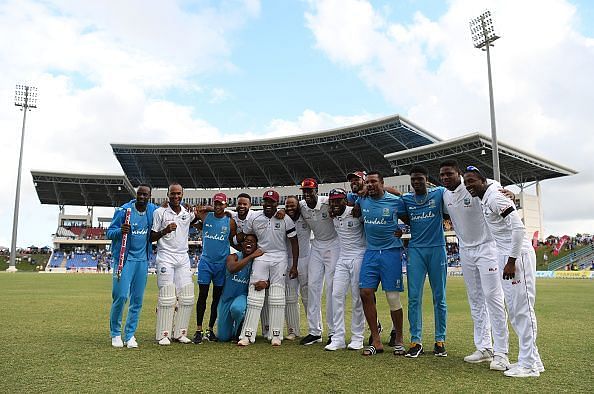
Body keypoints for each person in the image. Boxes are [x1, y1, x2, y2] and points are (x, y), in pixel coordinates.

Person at [464, 166, 544, 378]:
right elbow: (495, 185)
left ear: (482, 180)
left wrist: (511, 260)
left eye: (472, 181)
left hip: (517, 256)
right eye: (466, 182)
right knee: (517, 310)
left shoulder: (495, 198)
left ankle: (528, 365)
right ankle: (533, 359)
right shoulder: (489, 192)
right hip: (505, 254)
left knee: (522, 311)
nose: (468, 185)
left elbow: (518, 228)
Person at [439, 160, 510, 370]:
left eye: (449, 174)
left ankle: (501, 353)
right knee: (475, 300)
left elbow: (495, 187)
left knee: (493, 298)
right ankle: (484, 348)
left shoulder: (474, 186)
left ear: (459, 174)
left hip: (487, 248)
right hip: (465, 251)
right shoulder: (444, 194)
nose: (445, 178)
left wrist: (509, 194)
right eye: (442, 175)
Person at [237, 189, 299, 346]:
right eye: (266, 201)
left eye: (271, 202)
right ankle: (247, 334)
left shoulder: (285, 219)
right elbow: (245, 235)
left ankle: (276, 334)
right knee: (255, 292)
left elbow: (294, 242)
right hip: (261, 255)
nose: (268, 205)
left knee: (277, 294)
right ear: (263, 202)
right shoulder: (255, 217)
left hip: (280, 257)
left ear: (276, 203)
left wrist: (294, 266)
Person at [399, 166, 448, 358]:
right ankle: (415, 341)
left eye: (420, 179)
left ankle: (440, 340)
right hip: (416, 250)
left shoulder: (439, 193)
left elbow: (456, 190)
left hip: (437, 249)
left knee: (440, 297)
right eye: (413, 179)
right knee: (413, 298)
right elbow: (399, 209)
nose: (417, 182)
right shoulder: (406, 199)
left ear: (427, 180)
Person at [355, 171, 406, 356]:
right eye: (367, 182)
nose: (370, 185)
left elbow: (408, 219)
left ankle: (399, 339)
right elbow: (350, 196)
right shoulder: (362, 199)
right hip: (371, 252)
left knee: (392, 297)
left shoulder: (395, 201)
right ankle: (376, 340)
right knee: (365, 292)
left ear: (382, 183)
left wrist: (402, 231)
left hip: (391, 252)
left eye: (374, 182)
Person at [107, 184, 157, 348]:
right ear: (136, 194)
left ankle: (129, 335)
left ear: (149, 196)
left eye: (145, 195)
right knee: (121, 296)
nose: (142, 197)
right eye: (140, 194)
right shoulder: (123, 210)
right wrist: (121, 230)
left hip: (142, 261)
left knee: (137, 300)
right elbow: (109, 233)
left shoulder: (152, 210)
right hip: (124, 260)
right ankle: (115, 334)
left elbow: (167, 211)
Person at [150, 183, 198, 345]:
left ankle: (180, 332)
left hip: (183, 257)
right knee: (167, 296)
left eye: (178, 194)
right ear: (168, 195)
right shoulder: (160, 212)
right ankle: (164, 334)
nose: (176, 197)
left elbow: (202, 213)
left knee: (186, 296)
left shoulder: (187, 213)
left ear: (182, 195)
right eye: (173, 194)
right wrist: (165, 230)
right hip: (165, 256)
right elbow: (151, 237)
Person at [299, 178, 340, 346]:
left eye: (310, 190)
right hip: (316, 245)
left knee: (331, 288)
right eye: (305, 191)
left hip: (334, 244)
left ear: (317, 190)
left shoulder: (327, 203)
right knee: (312, 287)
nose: (307, 194)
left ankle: (333, 332)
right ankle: (314, 332)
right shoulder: (302, 206)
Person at [192, 192, 237, 344]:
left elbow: (233, 240)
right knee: (202, 296)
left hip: (221, 264)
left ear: (226, 204)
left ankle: (210, 329)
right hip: (206, 263)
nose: (218, 206)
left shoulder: (230, 222)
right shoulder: (206, 217)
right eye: (216, 203)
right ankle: (198, 330)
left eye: (221, 204)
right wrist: (208, 208)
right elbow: (196, 213)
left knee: (216, 298)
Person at [325, 188, 366, 351]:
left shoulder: (356, 212)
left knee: (357, 297)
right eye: (332, 201)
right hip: (343, 257)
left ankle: (357, 338)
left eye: (338, 200)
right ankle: (338, 338)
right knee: (336, 295)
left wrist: (358, 205)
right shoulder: (334, 216)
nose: (335, 203)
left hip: (359, 255)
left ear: (345, 200)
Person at [217, 234, 266, 342]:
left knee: (237, 309)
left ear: (256, 245)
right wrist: (251, 256)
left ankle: (240, 327)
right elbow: (232, 268)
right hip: (226, 298)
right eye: (247, 241)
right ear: (242, 244)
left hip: (242, 296)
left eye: (253, 242)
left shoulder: (258, 262)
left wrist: (266, 283)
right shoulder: (233, 256)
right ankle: (235, 328)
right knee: (223, 338)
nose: (249, 243)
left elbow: (269, 277)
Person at [284, 195, 312, 340]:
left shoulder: (306, 217)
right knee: (290, 297)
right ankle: (293, 331)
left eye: (292, 205)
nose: (290, 208)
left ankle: (314, 330)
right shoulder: (282, 218)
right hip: (287, 261)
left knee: (308, 297)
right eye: (287, 205)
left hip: (306, 260)